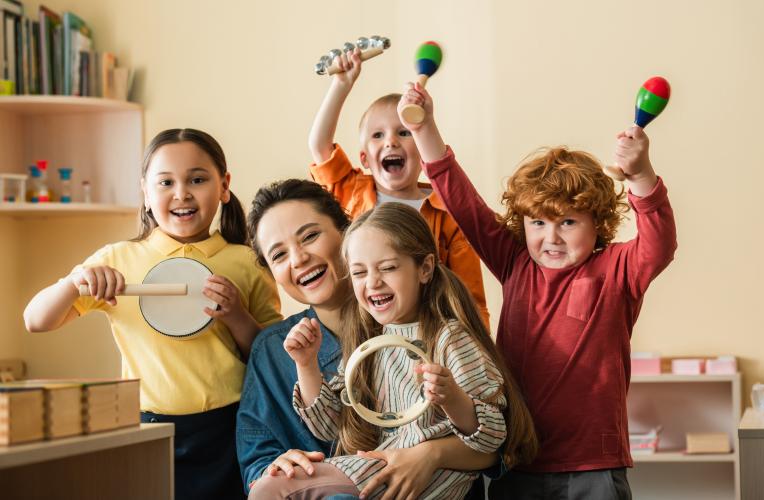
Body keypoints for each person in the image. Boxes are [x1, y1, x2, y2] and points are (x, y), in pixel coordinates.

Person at [399, 84, 678, 499]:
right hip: (518, 461)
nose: (552, 237)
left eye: (568, 222)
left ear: (597, 223)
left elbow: (660, 244)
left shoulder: (616, 270)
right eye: (538, 223)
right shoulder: (514, 263)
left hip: (594, 466)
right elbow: (462, 201)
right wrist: (424, 128)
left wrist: (640, 174)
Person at [23, 128, 282, 500]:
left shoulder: (246, 262)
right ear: (145, 191)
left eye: (197, 179)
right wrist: (76, 281)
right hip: (147, 429)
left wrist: (238, 316)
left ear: (224, 186)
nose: (182, 193)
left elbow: (271, 358)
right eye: (165, 182)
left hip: (231, 429)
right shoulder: (116, 261)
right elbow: (35, 321)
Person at [250, 201, 537, 499]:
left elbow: (493, 436)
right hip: (383, 471)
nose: (373, 282)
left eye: (387, 268)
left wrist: (452, 398)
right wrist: (306, 364)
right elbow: (330, 426)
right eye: (359, 273)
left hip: (421, 481)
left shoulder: (449, 338)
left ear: (424, 268)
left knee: (273, 489)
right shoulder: (369, 344)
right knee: (270, 486)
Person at [307, 48, 490, 326]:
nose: (390, 142)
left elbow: (471, 297)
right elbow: (319, 147)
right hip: (363, 328)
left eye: (404, 132)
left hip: (426, 333)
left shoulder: (447, 211)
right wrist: (341, 84)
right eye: (378, 135)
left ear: (421, 148)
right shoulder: (353, 191)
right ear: (364, 159)